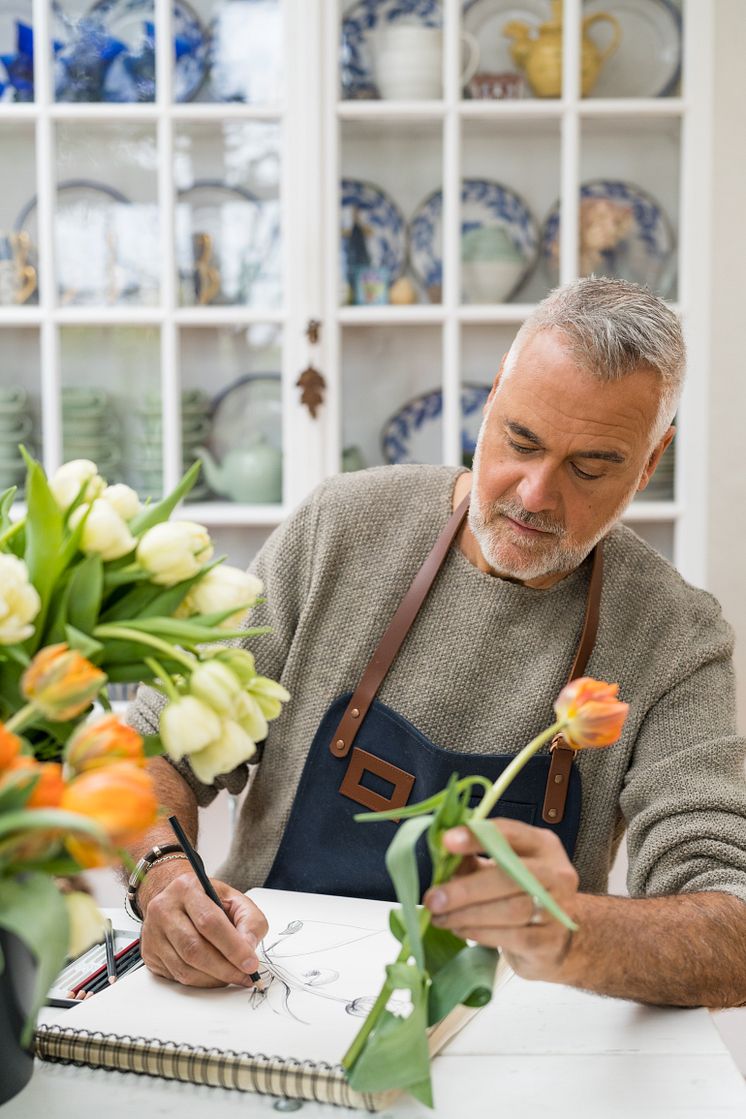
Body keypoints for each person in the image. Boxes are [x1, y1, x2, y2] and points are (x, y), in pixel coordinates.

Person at [126, 277, 746, 1009]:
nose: (536, 493)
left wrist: (572, 931)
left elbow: (731, 929)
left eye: (590, 466)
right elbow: (151, 748)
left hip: (511, 1031)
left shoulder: (677, 637)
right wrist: (163, 875)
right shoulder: (340, 529)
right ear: (490, 402)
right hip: (264, 993)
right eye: (521, 440)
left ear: (649, 462)